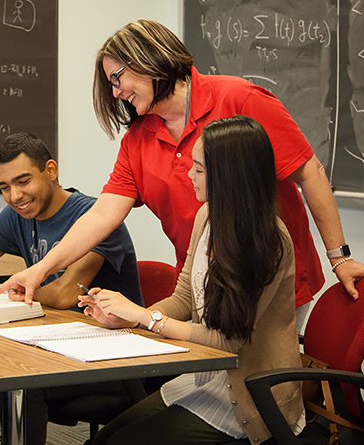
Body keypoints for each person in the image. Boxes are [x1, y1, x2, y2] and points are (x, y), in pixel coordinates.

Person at [0, 20, 364, 323]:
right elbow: (103, 215)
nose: (115, 93)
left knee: (252, 392)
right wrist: (40, 270)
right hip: (203, 286)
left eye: (116, 79)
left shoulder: (239, 98)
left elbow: (310, 173)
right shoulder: (138, 140)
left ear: (149, 59)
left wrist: (340, 257)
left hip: (269, 279)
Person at [80, 115, 304, 445]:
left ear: (229, 177)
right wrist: (128, 318)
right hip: (206, 378)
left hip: (250, 396)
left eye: (199, 169)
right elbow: (185, 296)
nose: (189, 175)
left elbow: (228, 343)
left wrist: (146, 317)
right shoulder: (208, 215)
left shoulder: (267, 241)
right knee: (104, 440)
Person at [0, 132, 145, 445]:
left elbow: (64, 294)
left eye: (23, 181)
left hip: (115, 359)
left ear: (51, 171)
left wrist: (12, 291)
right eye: (4, 187)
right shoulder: (16, 217)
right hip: (50, 343)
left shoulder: (94, 217)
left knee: (23, 381)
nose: (15, 195)